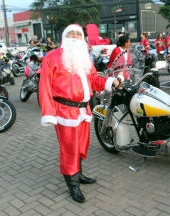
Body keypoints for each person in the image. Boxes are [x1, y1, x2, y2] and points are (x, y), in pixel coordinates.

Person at [39, 24, 119, 203]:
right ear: (64, 37)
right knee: (69, 149)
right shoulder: (51, 58)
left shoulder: (85, 58)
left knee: (81, 146)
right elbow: (44, 87)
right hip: (64, 111)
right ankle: (73, 185)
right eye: (71, 33)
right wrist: (49, 112)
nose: (75, 37)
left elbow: (93, 80)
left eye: (78, 34)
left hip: (84, 110)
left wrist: (109, 81)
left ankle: (79, 174)